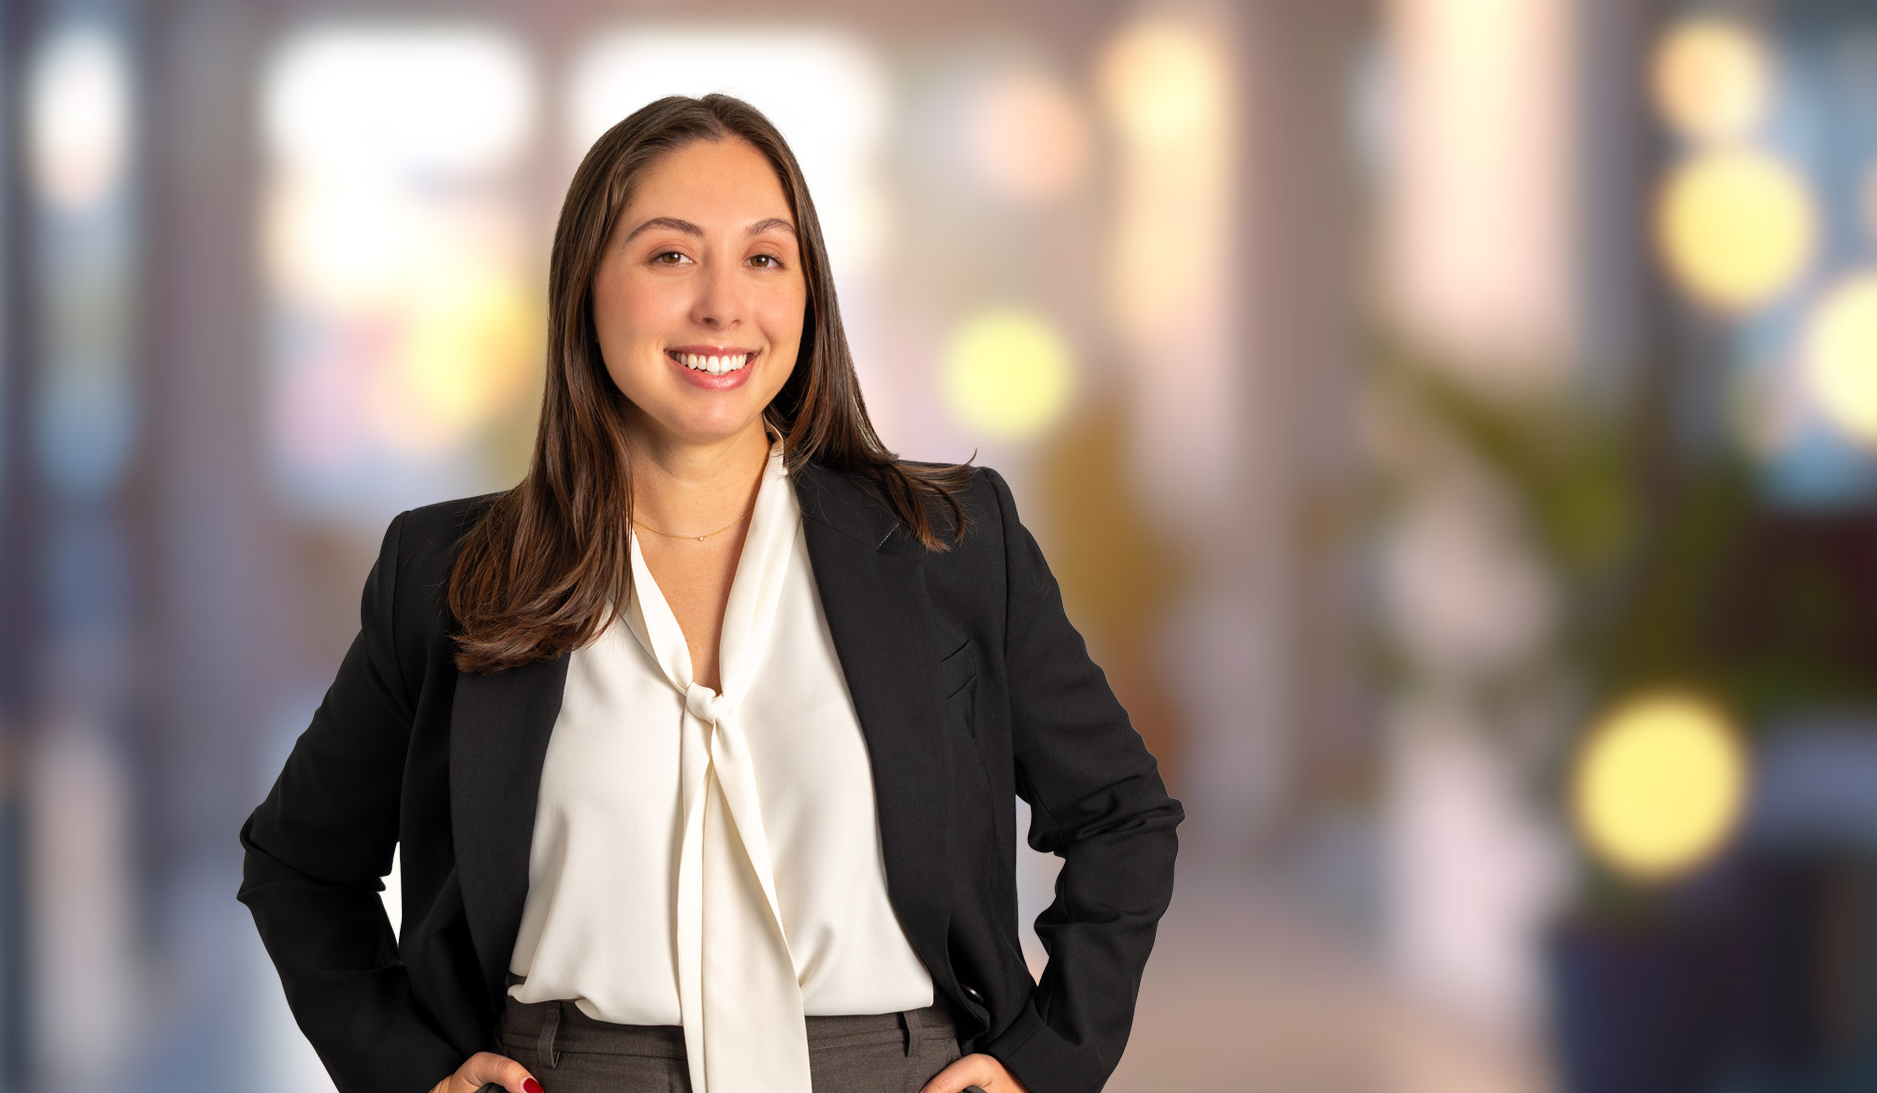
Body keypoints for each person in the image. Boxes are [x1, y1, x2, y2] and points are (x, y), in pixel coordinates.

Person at [237, 92, 1183, 1093]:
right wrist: (411, 1072)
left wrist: (1046, 1062)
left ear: (808, 293)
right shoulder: (450, 575)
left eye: (765, 259)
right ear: (586, 286)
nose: (723, 307)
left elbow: (1121, 816)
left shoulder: (949, 546)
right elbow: (301, 867)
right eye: (670, 256)